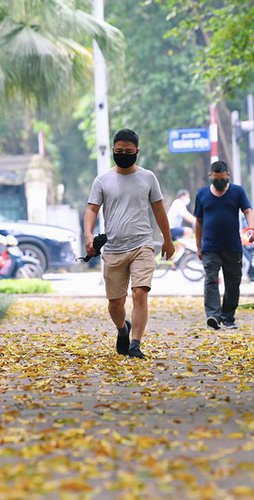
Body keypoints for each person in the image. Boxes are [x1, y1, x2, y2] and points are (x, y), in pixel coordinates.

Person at [84, 128, 175, 359]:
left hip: (142, 245)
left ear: (137, 151)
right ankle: (122, 329)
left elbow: (158, 209)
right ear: (114, 150)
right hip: (114, 249)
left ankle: (135, 344)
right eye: (119, 151)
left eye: (128, 151)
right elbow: (92, 209)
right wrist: (87, 236)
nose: (123, 154)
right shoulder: (102, 180)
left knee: (139, 294)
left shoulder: (148, 177)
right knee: (115, 304)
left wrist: (168, 239)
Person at [194, 160, 254, 330]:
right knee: (211, 280)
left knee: (232, 283)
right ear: (210, 177)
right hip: (210, 247)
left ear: (228, 176)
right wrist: (198, 246)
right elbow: (198, 222)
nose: (219, 181)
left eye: (222, 178)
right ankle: (213, 316)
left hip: (232, 246)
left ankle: (228, 317)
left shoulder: (237, 192)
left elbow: (248, 211)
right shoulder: (202, 195)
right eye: (216, 179)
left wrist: (251, 228)